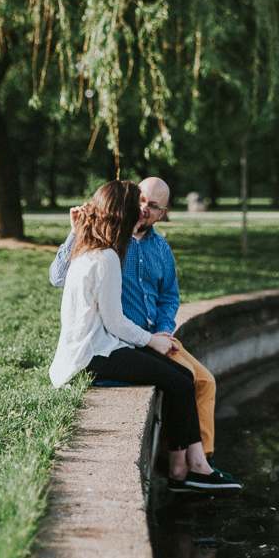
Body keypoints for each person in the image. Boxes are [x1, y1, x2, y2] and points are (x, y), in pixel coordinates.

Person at [48, 180, 237, 494]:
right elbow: (115, 321)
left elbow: (168, 297)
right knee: (179, 380)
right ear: (124, 211)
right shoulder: (107, 254)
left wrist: (161, 332)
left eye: (151, 206)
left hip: (111, 342)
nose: (143, 211)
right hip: (97, 349)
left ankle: (194, 463)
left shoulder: (102, 246)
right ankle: (180, 469)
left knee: (188, 377)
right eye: (139, 203)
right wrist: (151, 341)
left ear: (163, 213)